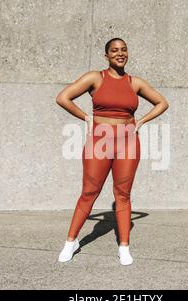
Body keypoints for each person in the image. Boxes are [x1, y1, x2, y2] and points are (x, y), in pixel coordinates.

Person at [55, 38, 169, 265]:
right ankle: (71, 241)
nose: (120, 53)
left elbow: (162, 103)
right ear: (106, 56)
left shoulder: (134, 82)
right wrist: (86, 118)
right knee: (89, 193)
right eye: (114, 50)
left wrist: (141, 121)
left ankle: (124, 247)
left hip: (128, 142)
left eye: (124, 49)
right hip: (99, 140)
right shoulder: (95, 78)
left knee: (123, 195)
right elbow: (63, 98)